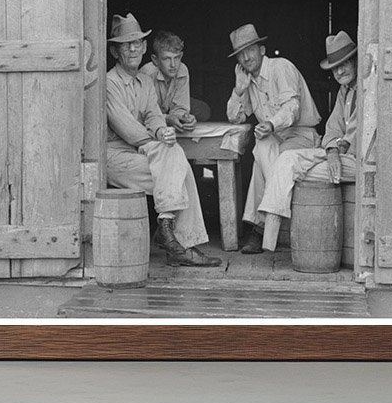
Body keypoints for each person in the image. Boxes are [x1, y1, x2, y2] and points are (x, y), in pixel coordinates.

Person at [104, 14, 217, 267]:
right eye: (125, 44)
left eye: (137, 43)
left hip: (140, 152)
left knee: (174, 157)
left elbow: (154, 116)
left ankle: (168, 232)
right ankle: (180, 242)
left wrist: (161, 132)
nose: (133, 48)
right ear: (114, 51)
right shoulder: (109, 82)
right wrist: (155, 138)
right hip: (115, 158)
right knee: (179, 169)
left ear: (145, 48)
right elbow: (128, 129)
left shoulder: (144, 81)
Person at [256, 31, 359, 252]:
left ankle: (271, 235)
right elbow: (332, 129)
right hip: (339, 156)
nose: (339, 71)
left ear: (356, 61)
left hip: (358, 161)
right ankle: (270, 234)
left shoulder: (366, 90)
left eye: (345, 64)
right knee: (286, 159)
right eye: (335, 67)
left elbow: (355, 135)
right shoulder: (345, 91)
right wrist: (331, 150)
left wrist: (333, 151)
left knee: (289, 169)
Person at [225, 23, 321, 254]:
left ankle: (259, 229)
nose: (246, 57)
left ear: (262, 49)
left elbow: (292, 107)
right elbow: (234, 117)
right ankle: (266, 226)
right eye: (241, 53)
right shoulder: (249, 82)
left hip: (302, 137)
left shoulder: (281, 67)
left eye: (251, 49)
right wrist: (238, 90)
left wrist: (270, 124)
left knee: (264, 154)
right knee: (263, 147)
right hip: (278, 140)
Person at [139, 31, 198, 132]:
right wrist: (167, 118)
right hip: (153, 118)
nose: (173, 65)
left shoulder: (182, 69)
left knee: (204, 110)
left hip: (169, 108)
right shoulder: (147, 74)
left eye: (177, 58)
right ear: (155, 60)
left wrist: (184, 117)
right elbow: (143, 115)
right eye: (166, 59)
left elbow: (180, 107)